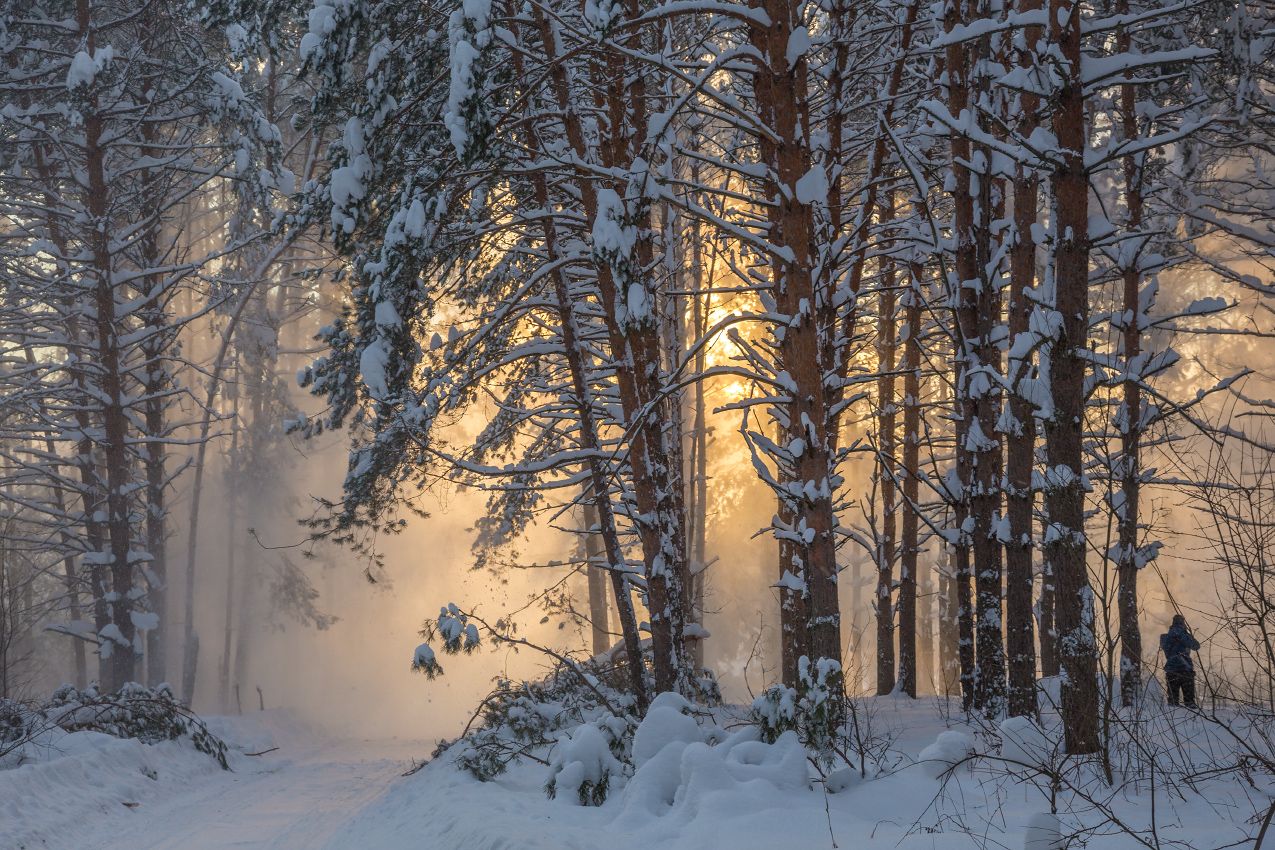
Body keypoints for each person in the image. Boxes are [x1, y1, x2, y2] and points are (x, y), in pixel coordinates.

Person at [1159, 614, 1200, 707]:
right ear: (1183, 623)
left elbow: (1165, 649)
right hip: (1186, 670)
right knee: (1190, 702)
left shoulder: (1165, 637)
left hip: (1171, 670)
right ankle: (1193, 720)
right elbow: (1196, 646)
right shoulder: (1185, 635)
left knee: (1173, 702)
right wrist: (1186, 634)